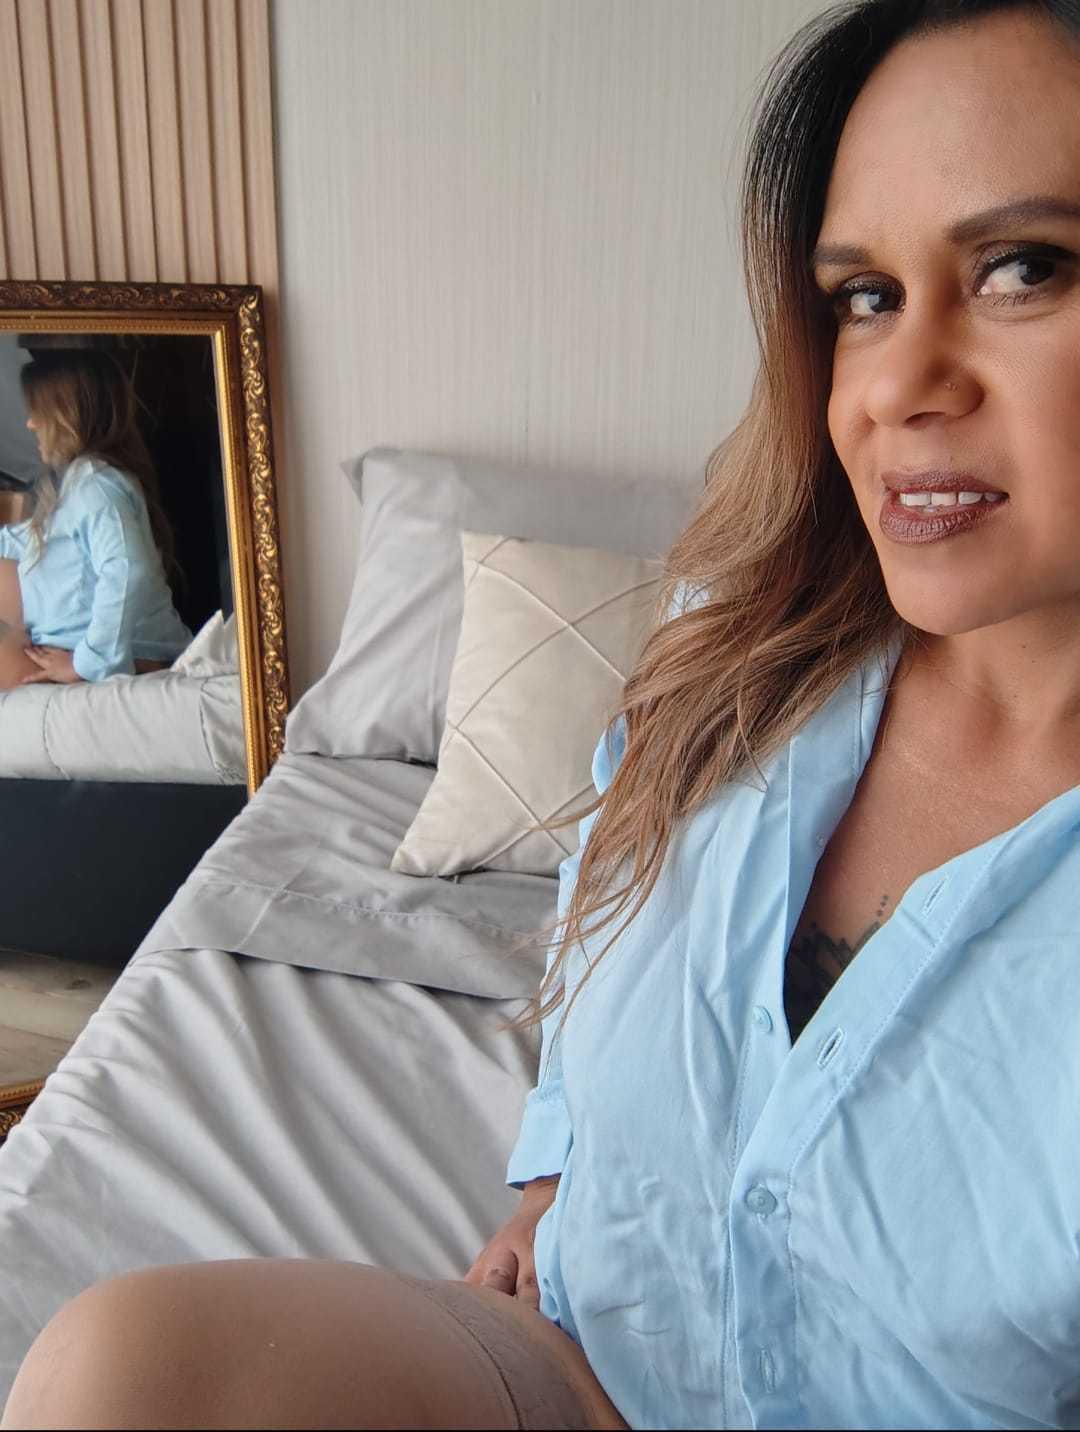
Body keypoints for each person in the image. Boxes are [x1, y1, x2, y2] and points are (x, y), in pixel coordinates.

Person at [4, 0, 1080, 1425]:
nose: (898, 386)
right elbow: (599, 890)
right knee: (118, 1371)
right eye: (863, 296)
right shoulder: (736, 656)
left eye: (1023, 268)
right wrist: (554, 1166)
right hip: (590, 1356)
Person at [0, 348, 193, 692]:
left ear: (68, 415)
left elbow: (128, 569)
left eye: (38, 412)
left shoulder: (97, 485)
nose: (31, 423)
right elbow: (36, 541)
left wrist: (87, 663)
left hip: (129, 655)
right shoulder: (79, 485)